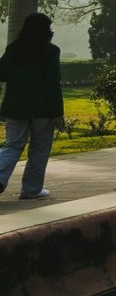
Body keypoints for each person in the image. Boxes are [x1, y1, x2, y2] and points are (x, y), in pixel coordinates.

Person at [0, 13, 64, 200]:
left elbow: (2, 73)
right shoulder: (51, 51)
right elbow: (53, 83)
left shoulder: (13, 49)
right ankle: (31, 190)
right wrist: (58, 113)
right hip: (43, 109)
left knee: (12, 145)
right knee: (39, 149)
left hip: (15, 108)